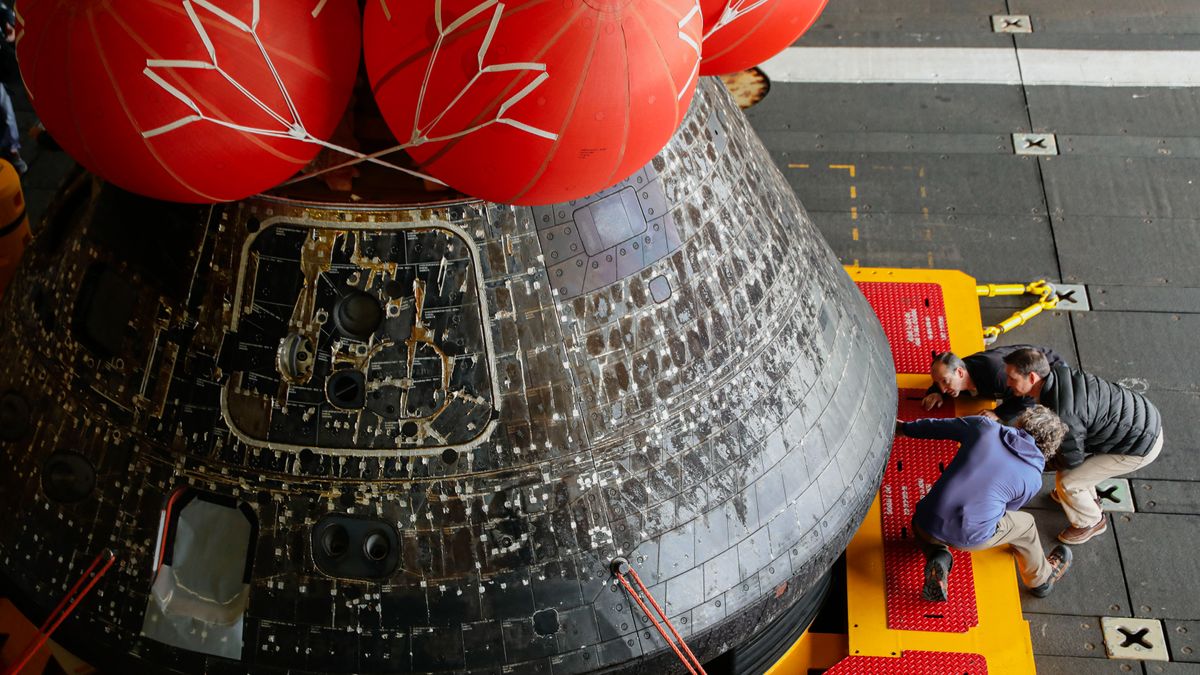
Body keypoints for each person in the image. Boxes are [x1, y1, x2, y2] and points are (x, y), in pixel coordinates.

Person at [898, 406, 1073, 601]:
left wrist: (903, 429)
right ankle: (1040, 579)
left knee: (928, 523)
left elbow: (936, 427)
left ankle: (938, 555)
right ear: (1049, 449)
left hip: (925, 519)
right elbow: (1007, 511)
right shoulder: (1033, 478)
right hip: (969, 537)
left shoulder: (983, 427)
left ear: (1021, 422)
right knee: (1027, 524)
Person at [1003, 348, 1163, 545]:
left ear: (1033, 377)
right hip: (1140, 418)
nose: (1008, 383)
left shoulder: (1064, 413)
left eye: (1012, 378)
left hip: (1140, 445)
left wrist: (1029, 463)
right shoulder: (1059, 375)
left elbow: (1071, 458)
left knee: (1068, 481)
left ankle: (1091, 521)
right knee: (1076, 473)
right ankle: (1079, 498)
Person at [922, 344, 1064, 421]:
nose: (944, 389)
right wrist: (935, 392)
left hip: (1052, 367)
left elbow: (1027, 397)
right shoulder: (956, 371)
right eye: (940, 384)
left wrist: (999, 413)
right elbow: (942, 376)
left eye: (945, 383)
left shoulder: (1000, 377)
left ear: (960, 372)